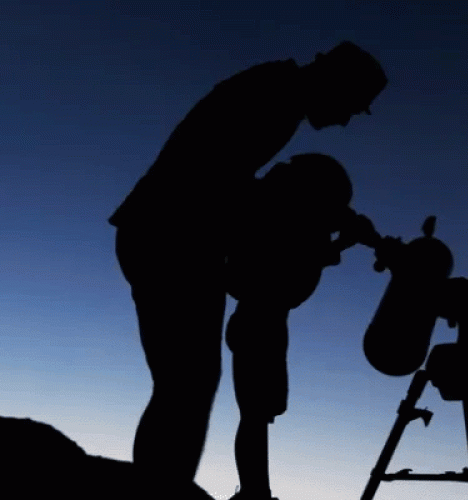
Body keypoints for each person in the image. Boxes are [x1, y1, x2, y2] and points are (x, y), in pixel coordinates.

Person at [110, 41, 387, 500]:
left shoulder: (277, 96)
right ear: (337, 83)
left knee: (185, 386)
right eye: (353, 106)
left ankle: (159, 488)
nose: (345, 120)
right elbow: (220, 181)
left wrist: (318, 217)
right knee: (187, 387)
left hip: (169, 236)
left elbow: (242, 189)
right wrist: (320, 216)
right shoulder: (274, 98)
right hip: (170, 237)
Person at [225, 154, 376, 500]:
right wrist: (343, 242)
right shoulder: (280, 216)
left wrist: (345, 238)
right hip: (258, 321)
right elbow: (290, 258)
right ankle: (254, 493)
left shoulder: (293, 213)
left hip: (268, 321)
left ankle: (255, 491)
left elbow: (306, 251)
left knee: (258, 415)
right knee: (254, 415)